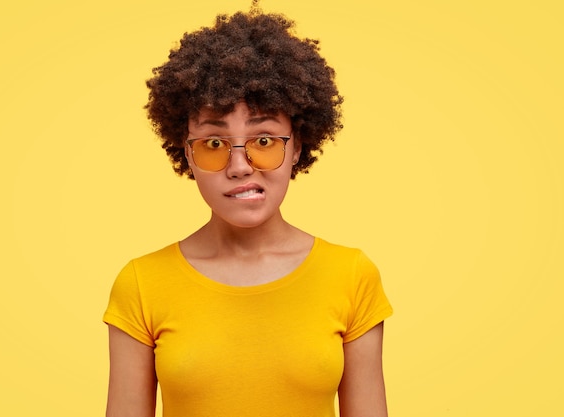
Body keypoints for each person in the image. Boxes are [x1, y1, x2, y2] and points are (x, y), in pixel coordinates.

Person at [103, 5, 392, 417]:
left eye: (264, 141)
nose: (240, 167)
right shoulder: (142, 283)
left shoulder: (352, 275)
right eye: (215, 144)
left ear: (297, 147)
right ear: (187, 153)